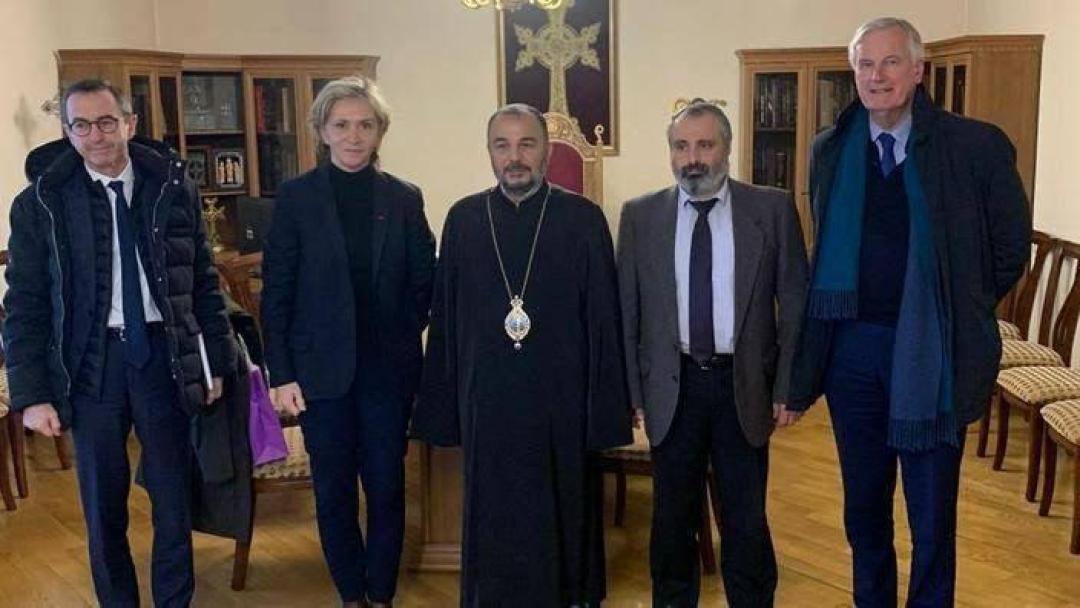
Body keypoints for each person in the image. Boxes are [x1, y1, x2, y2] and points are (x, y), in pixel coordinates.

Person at [786, 17, 1031, 606]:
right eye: (866, 64)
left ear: (918, 70)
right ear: (854, 72)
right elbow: (824, 250)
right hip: (853, 353)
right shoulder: (829, 149)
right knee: (864, 509)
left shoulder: (974, 147)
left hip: (932, 352)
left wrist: (957, 305)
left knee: (931, 516)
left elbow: (1009, 250)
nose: (877, 76)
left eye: (891, 61)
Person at [4, 79, 235, 607]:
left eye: (107, 122)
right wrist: (32, 394)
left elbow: (202, 281)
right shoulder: (41, 203)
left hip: (163, 358)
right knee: (103, 507)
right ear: (67, 132)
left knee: (173, 500)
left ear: (129, 124)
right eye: (82, 125)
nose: (96, 135)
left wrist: (215, 362)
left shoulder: (171, 187)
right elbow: (26, 304)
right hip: (92, 367)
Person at [412, 103, 632, 607]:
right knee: (493, 510)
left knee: (564, 505)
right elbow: (446, 320)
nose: (515, 157)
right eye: (502, 145)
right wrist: (442, 408)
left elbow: (604, 321)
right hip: (487, 401)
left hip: (561, 402)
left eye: (526, 144)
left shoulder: (583, 219)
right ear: (489, 152)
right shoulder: (465, 220)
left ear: (546, 150)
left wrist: (606, 410)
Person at [617, 100, 808, 607]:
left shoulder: (771, 210)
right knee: (671, 521)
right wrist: (633, 394)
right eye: (681, 147)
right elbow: (627, 314)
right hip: (672, 387)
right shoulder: (640, 216)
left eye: (705, 145)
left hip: (742, 386)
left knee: (746, 519)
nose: (693, 159)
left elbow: (794, 306)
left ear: (727, 148)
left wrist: (789, 387)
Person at [261, 76, 435, 608]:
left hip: (388, 373)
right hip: (319, 376)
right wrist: (282, 374)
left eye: (365, 125)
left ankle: (380, 595)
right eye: (342, 125)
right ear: (322, 131)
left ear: (380, 131)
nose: (354, 136)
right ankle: (351, 596)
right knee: (333, 492)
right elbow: (278, 293)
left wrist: (400, 336)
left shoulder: (404, 198)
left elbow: (425, 283)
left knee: (386, 488)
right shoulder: (296, 199)